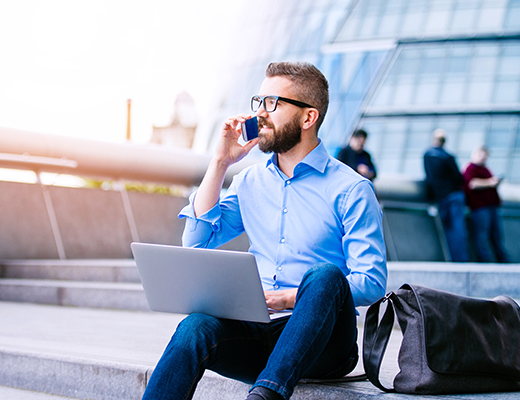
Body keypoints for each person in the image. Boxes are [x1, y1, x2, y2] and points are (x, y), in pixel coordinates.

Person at [142, 62, 387, 400]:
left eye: (273, 103)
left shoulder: (352, 189)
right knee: (194, 327)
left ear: (308, 118)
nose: (260, 114)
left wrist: (292, 297)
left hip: (324, 343)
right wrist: (220, 163)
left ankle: (265, 397)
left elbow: (372, 282)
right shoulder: (249, 182)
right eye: (260, 102)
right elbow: (196, 242)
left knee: (326, 276)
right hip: (257, 332)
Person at [423, 129, 469, 262]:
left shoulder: (427, 155)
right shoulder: (448, 157)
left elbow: (429, 177)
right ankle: (460, 260)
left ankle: (453, 259)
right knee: (458, 230)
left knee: (447, 230)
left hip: (440, 197)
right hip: (454, 196)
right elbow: (458, 178)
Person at [462, 146, 509, 263]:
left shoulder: (485, 169)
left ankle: (501, 259)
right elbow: (472, 184)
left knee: (496, 235)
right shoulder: (470, 168)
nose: (484, 159)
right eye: (482, 156)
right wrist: (490, 182)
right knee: (482, 234)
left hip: (492, 206)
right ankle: (484, 260)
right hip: (480, 207)